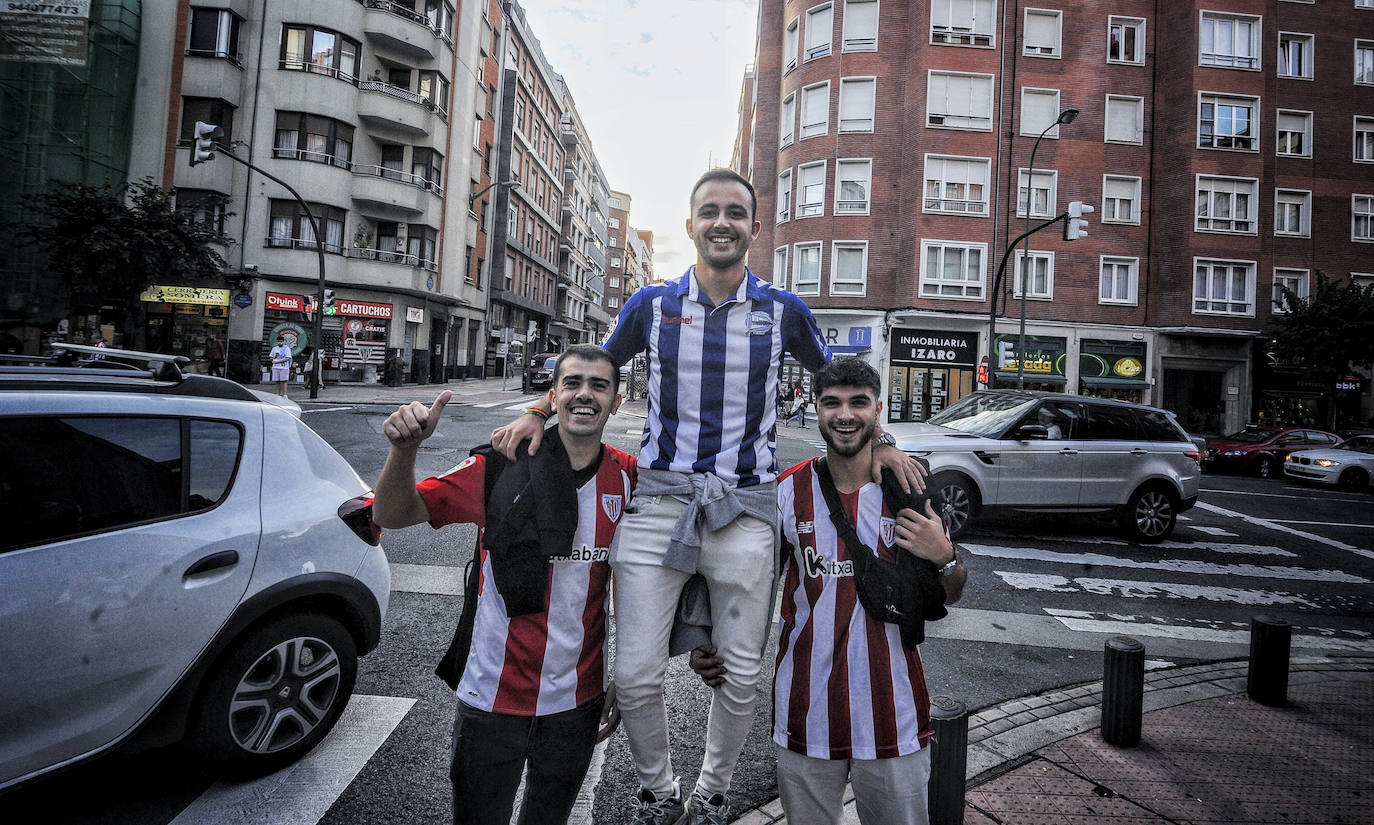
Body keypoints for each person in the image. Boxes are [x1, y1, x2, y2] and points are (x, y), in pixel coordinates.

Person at [491, 168, 925, 825]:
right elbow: (595, 367)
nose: (722, 222)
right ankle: (658, 792)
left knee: (743, 673)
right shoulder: (651, 304)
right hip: (659, 501)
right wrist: (536, 411)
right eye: (709, 211)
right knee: (634, 672)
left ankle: (714, 790)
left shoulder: (784, 310)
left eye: (735, 212)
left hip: (746, 508)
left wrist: (884, 439)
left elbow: (839, 379)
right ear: (691, 224)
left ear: (755, 227)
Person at [693, 357, 967, 825]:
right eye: (832, 403)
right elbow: (744, 581)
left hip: (893, 712)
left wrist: (944, 554)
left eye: (859, 403)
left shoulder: (907, 486)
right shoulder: (787, 491)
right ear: (815, 409)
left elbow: (953, 591)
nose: (845, 415)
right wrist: (705, 640)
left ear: (877, 409)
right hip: (806, 708)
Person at [373, 345, 634, 825]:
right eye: (573, 383)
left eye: (599, 385)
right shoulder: (499, 465)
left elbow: (650, 585)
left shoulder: (628, 478)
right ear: (552, 397)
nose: (585, 395)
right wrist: (404, 448)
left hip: (577, 702)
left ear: (617, 402)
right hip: (490, 698)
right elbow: (392, 513)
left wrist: (635, 674)